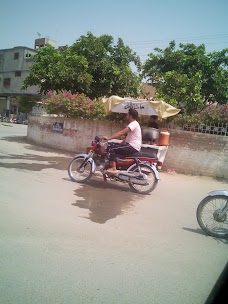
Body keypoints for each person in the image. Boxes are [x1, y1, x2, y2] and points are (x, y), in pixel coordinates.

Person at [102, 108, 142, 174]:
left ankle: (113, 168)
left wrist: (109, 138)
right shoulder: (134, 124)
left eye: (127, 115)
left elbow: (121, 132)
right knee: (112, 145)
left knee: (111, 148)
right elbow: (128, 137)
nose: (126, 116)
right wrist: (121, 143)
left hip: (132, 147)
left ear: (130, 116)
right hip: (131, 146)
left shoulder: (133, 124)